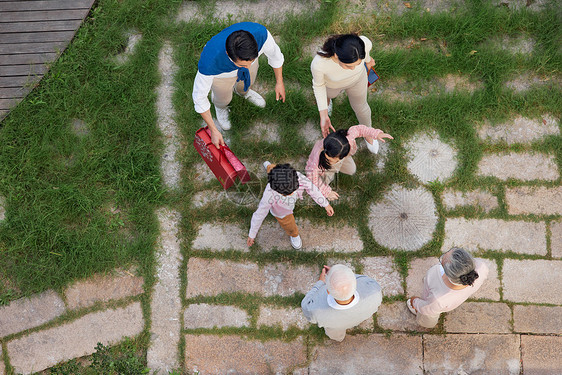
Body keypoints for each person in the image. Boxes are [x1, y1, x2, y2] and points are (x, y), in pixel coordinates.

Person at [193, 22, 286, 148]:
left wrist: (279, 82)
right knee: (223, 97)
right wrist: (214, 130)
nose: (247, 67)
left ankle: (243, 92)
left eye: (251, 61)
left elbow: (275, 57)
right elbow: (199, 98)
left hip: (243, 60)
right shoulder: (209, 63)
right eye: (243, 65)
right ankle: (221, 106)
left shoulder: (261, 34)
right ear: (228, 54)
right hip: (221, 75)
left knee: (248, 83)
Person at [311, 33, 377, 150]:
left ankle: (368, 133)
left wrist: (367, 63)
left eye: (356, 64)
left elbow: (367, 58)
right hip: (332, 86)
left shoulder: (364, 43)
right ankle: (328, 103)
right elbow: (319, 85)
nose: (352, 69)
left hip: (357, 81)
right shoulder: (319, 64)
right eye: (348, 66)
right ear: (336, 56)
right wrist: (323, 115)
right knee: (327, 96)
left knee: (362, 108)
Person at [247, 162, 334, 250]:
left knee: (274, 170)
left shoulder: (297, 176)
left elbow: (312, 189)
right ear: (275, 189)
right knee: (289, 225)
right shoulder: (269, 194)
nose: (293, 193)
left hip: (277, 174)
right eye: (287, 193)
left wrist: (325, 204)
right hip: (282, 212)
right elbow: (259, 214)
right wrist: (252, 234)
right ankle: (294, 234)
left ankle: (270, 167)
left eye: (294, 189)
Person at [406, 247, 489, 328]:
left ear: (449, 274)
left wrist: (415, 302)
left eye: (442, 261)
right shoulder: (482, 266)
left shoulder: (438, 298)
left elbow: (426, 308)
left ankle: (427, 323)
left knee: (428, 317)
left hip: (436, 306)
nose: (444, 254)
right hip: (455, 300)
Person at [305, 126, 393, 201]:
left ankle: (336, 169)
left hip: (342, 159)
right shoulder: (316, 161)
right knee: (325, 180)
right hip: (324, 168)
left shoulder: (348, 138)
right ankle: (319, 192)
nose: (331, 161)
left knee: (351, 170)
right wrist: (327, 192)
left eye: (334, 159)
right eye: (329, 158)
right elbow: (312, 176)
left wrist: (376, 134)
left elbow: (359, 129)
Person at [301, 264, 382, 342]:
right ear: (355, 284)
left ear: (328, 291)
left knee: (335, 333)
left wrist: (321, 282)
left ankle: (339, 338)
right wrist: (340, 277)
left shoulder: (314, 310)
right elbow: (360, 278)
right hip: (362, 314)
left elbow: (305, 305)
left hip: (336, 326)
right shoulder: (374, 290)